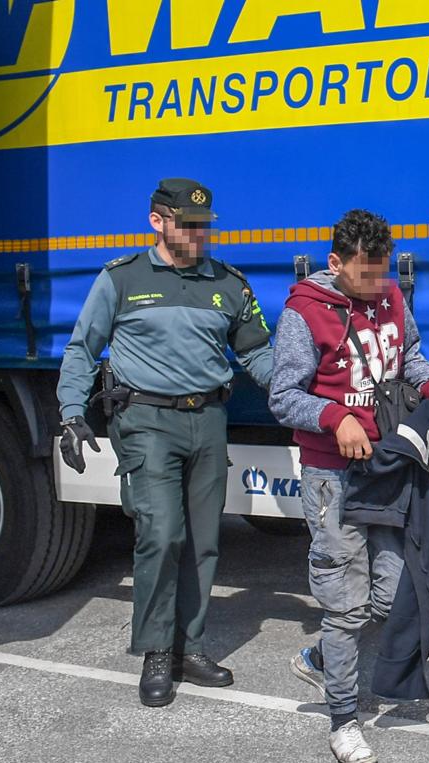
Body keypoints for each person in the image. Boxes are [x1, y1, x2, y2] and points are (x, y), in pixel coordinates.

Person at [56, 177, 274, 708]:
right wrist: (70, 414)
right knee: (160, 534)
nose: (199, 235)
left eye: (205, 226)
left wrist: (309, 391)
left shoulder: (229, 285)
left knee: (203, 538)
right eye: (189, 225)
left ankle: (189, 648)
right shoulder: (122, 280)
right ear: (158, 221)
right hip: (146, 421)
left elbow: (258, 355)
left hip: (208, 420)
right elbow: (83, 350)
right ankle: (157, 649)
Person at [267, 209, 429, 763]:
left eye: (383, 272)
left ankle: (322, 656)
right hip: (331, 479)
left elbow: (408, 356)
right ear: (335, 263)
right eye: (365, 274)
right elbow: (282, 396)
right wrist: (332, 417)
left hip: (386, 470)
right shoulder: (304, 314)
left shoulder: (392, 297)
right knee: (344, 604)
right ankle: (344, 720)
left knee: (393, 592)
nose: (377, 284)